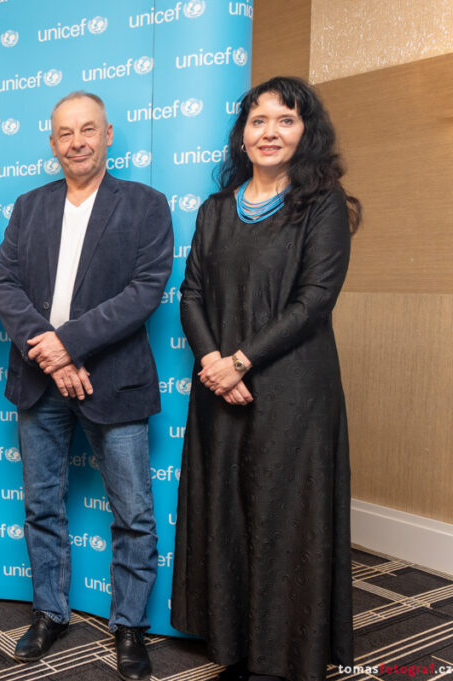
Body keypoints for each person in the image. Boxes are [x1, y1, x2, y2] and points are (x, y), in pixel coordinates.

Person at [171, 76, 361, 681]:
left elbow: (314, 301)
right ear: (242, 135)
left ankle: (282, 659)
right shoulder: (215, 209)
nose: (270, 132)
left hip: (294, 389)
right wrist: (213, 363)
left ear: (307, 132)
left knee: (284, 518)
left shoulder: (323, 204)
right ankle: (234, 646)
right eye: (258, 120)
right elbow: (191, 294)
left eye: (286, 120)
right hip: (220, 389)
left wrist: (240, 361)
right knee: (227, 513)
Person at [0, 91, 172, 681]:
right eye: (65, 133)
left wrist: (67, 344)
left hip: (113, 379)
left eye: (88, 129)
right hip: (40, 380)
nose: (77, 142)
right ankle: (50, 612)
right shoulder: (29, 207)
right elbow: (6, 285)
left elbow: (145, 290)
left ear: (108, 134)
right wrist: (52, 354)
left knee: (133, 512)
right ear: (52, 143)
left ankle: (130, 625)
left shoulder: (146, 205)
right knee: (41, 506)